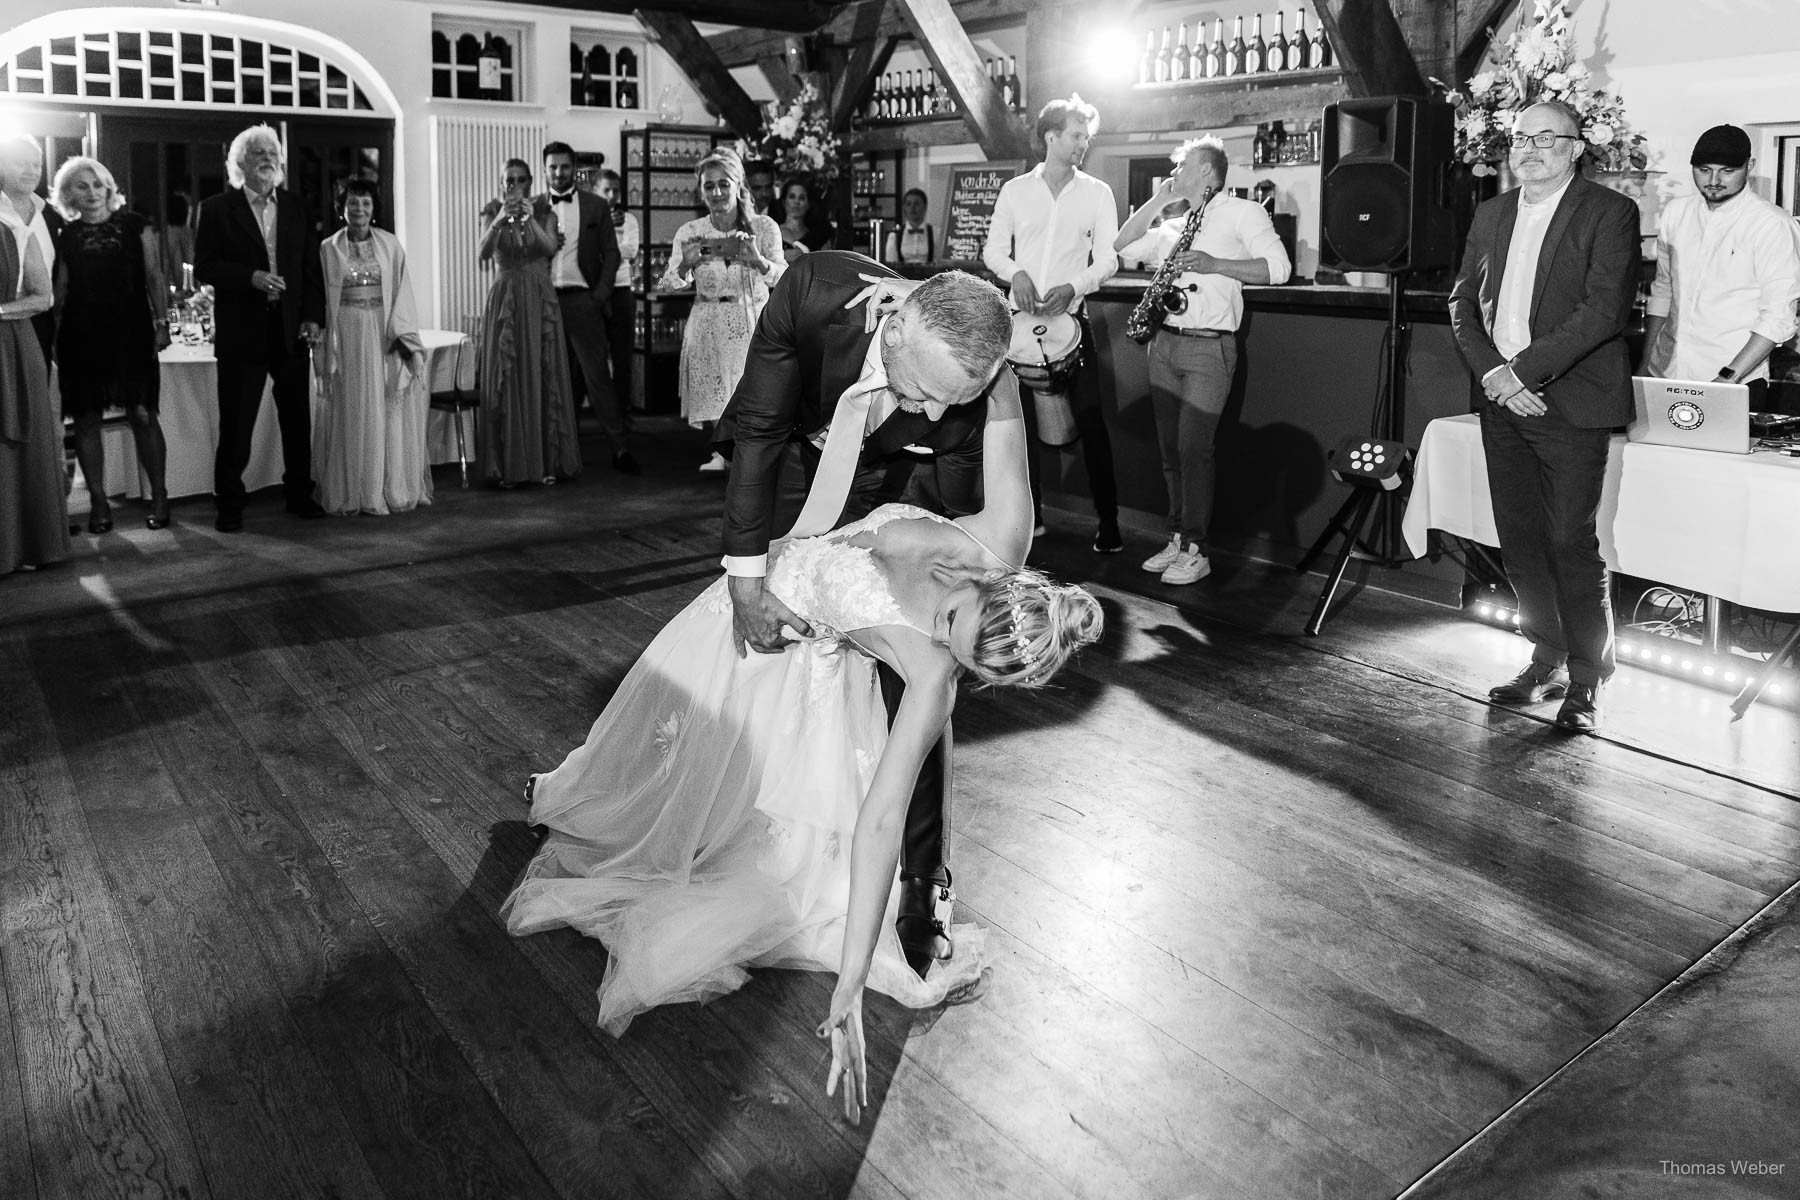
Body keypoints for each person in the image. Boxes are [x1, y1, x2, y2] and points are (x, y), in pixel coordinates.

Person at [505, 358, 1102, 1123]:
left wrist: (850, 982)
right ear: (995, 584)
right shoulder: (1006, 536)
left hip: (799, 666)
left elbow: (883, 819)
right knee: (656, 763)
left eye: (964, 665)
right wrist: (942, 341)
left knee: (728, 809)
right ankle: (587, 791)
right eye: (953, 626)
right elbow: (1004, 385)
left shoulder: (929, 675)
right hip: (748, 604)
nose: (943, 649)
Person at [716, 254, 1021, 980]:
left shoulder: (958, 375)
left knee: (921, 673)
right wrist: (746, 581)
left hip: (905, 485)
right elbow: (758, 433)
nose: (940, 411)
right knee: (763, 641)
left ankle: (923, 882)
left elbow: (1011, 335)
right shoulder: (813, 294)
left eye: (960, 398)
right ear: (899, 326)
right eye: (927, 389)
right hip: (800, 454)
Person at [1448, 100, 1641, 734]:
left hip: (1569, 402)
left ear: (1576, 147)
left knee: (1570, 543)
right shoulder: (1492, 212)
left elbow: (1602, 311)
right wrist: (1493, 376)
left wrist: (1520, 373)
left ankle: (1588, 678)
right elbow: (1461, 304)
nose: (1530, 149)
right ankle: (1546, 657)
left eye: (1547, 138)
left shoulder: (1610, 212)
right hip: (1503, 401)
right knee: (1522, 541)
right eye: (1521, 138)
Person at [1115, 135, 1291, 586]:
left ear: (1208, 171)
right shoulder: (1178, 222)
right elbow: (1123, 243)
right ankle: (1177, 535)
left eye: (1183, 164)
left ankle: (1197, 549)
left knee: (1195, 450)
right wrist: (1159, 198)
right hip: (1165, 345)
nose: (1176, 169)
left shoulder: (1242, 213)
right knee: (1172, 451)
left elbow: (1279, 268)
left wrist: (1215, 265)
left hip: (1209, 347)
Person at [983, 94, 1124, 553]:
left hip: (1072, 322)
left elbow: (1109, 259)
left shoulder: (1098, 193)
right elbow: (993, 253)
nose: (1084, 143)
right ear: (1051, 137)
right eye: (1077, 135)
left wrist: (1074, 285)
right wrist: (1015, 273)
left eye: (1086, 136)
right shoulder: (1015, 191)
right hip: (1017, 327)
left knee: (1091, 423)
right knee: (1016, 427)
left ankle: (1109, 523)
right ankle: (1032, 517)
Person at [194, 124, 327, 532]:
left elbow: (310, 268)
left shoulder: (295, 206)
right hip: (242, 331)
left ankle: (299, 494)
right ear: (239, 163)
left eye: (272, 152)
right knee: (236, 423)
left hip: (288, 328)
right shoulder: (217, 208)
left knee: (296, 419)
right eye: (258, 153)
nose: (268, 159)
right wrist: (248, 276)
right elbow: (205, 267)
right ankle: (229, 504)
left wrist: (312, 317)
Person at [52, 157, 173, 533]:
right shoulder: (67, 236)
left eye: (97, 184)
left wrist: (162, 321)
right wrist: (54, 340)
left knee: (141, 414)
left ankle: (159, 495)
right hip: (82, 337)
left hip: (132, 332)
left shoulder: (136, 225)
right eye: (80, 186)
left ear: (109, 188)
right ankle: (99, 504)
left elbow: (154, 275)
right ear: (69, 194)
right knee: (87, 421)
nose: (90, 193)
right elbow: (61, 291)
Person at [1640, 124, 1800, 397]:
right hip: (1665, 372)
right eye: (1703, 170)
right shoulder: (1676, 213)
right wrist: (1645, 365)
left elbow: (1779, 316)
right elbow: (1663, 291)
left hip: (1735, 381)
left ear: (1750, 165)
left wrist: (1727, 378)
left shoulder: (1772, 225)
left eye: (1727, 171)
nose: (1714, 180)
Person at [656, 147, 783, 472]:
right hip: (707, 316)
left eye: (723, 184)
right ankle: (722, 453)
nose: (716, 192)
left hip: (750, 317)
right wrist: (686, 264)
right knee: (715, 389)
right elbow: (669, 284)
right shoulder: (691, 232)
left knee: (749, 391)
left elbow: (784, 277)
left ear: (737, 184)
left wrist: (757, 260)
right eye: (709, 186)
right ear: (701, 190)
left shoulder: (764, 227)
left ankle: (751, 457)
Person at [312, 179, 429, 516]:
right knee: (351, 406)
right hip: (346, 332)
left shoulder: (391, 246)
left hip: (383, 332)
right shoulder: (328, 248)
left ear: (374, 209)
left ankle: (383, 487)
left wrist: (406, 341)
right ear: (341, 209)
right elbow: (322, 299)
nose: (359, 210)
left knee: (384, 405)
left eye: (365, 203)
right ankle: (353, 489)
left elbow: (402, 293)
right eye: (352, 203)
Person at [477, 158, 582, 488]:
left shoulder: (544, 211)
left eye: (521, 180)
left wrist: (527, 217)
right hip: (505, 298)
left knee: (542, 372)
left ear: (530, 182)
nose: (514, 185)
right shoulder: (491, 210)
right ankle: (509, 466)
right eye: (509, 180)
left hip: (539, 299)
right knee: (506, 378)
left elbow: (549, 247)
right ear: (501, 183)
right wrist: (500, 218)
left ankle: (545, 462)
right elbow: (482, 253)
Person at [541, 141, 636, 475]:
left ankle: (621, 448)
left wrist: (601, 294)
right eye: (552, 167)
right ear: (545, 169)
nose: (559, 173)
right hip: (546, 302)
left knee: (598, 378)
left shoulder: (595, 205)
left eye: (564, 166)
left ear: (574, 168)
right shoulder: (537, 206)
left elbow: (612, 252)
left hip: (584, 299)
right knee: (553, 379)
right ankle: (558, 452)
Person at [0, 218, 68, 576]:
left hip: (10, 346)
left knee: (16, 445)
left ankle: (22, 545)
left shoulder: (15, 231)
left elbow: (43, 296)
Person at [0, 134, 62, 368]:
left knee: (35, 396)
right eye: (21, 162)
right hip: (6, 316)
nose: (31, 171)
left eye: (36, 164)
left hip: (41, 320)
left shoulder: (50, 216)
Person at [593, 169, 640, 416]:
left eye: (615, 190)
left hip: (621, 290)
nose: (611, 196)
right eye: (606, 190)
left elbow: (630, 251)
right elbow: (586, 254)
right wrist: (605, 231)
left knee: (623, 356)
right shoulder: (589, 221)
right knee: (595, 358)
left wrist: (605, 246)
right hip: (595, 291)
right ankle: (600, 413)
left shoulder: (629, 220)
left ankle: (622, 412)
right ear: (595, 192)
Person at [773, 176, 835, 264]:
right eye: (792, 197)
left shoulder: (819, 236)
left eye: (802, 198)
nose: (796, 202)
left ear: (808, 204)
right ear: (783, 202)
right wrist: (783, 256)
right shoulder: (772, 232)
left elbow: (827, 266)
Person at [883, 187, 936, 266]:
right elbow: (891, 266)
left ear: (925, 207)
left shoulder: (936, 233)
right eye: (908, 204)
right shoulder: (894, 235)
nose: (912, 207)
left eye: (917, 204)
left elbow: (940, 263)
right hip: (903, 277)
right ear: (904, 208)